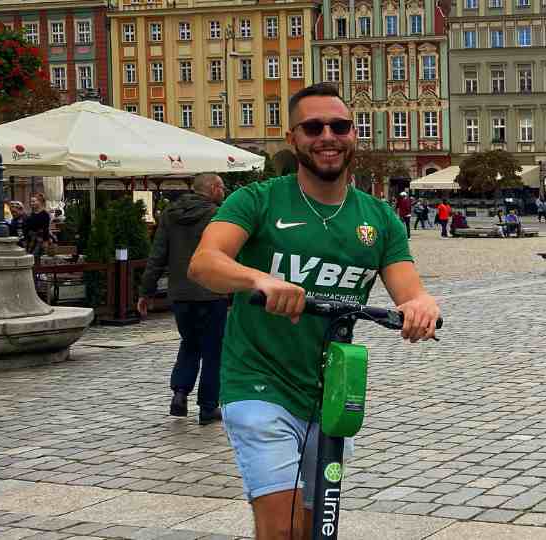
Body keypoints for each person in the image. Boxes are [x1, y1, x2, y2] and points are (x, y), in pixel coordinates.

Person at [187, 83, 439, 539]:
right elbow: (205, 262)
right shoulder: (258, 200)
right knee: (282, 527)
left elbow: (410, 290)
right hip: (258, 382)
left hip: (330, 392)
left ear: (354, 135)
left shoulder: (379, 218)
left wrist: (421, 306)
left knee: (313, 526)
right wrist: (258, 279)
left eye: (339, 126)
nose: (327, 136)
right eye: (313, 127)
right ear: (292, 138)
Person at [137, 174, 229, 425]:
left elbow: (157, 254)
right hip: (211, 292)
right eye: (222, 188)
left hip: (180, 294)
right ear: (213, 189)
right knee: (213, 350)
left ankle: (180, 393)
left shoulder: (170, 214)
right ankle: (208, 407)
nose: (224, 192)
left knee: (189, 343)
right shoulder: (218, 215)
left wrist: (146, 291)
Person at [21, 194, 53, 265]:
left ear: (40, 202)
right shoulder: (31, 214)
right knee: (30, 257)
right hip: (30, 240)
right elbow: (27, 228)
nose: (31, 203)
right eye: (31, 202)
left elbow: (45, 229)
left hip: (39, 240)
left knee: (36, 257)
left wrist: (45, 241)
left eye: (34, 201)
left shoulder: (45, 214)